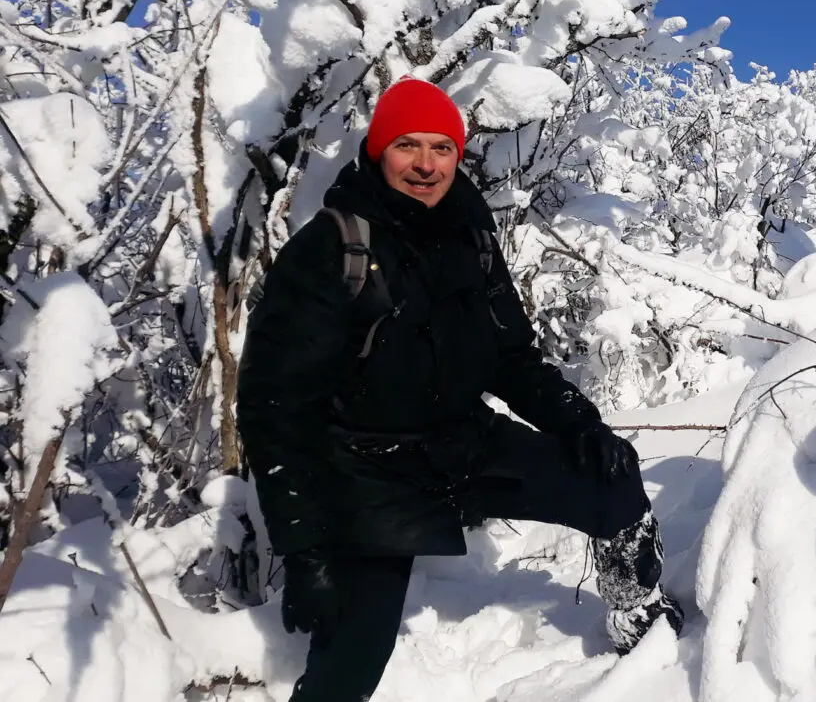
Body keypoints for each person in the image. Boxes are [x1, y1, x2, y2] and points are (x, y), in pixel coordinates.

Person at [237, 77, 682, 702]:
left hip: (461, 445)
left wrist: (579, 423)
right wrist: (306, 549)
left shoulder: (469, 236)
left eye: (441, 147)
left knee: (613, 481)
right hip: (367, 474)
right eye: (407, 146)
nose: (425, 164)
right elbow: (273, 408)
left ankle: (638, 615)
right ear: (377, 152)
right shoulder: (331, 248)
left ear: (458, 154)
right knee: (351, 657)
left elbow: (512, 357)